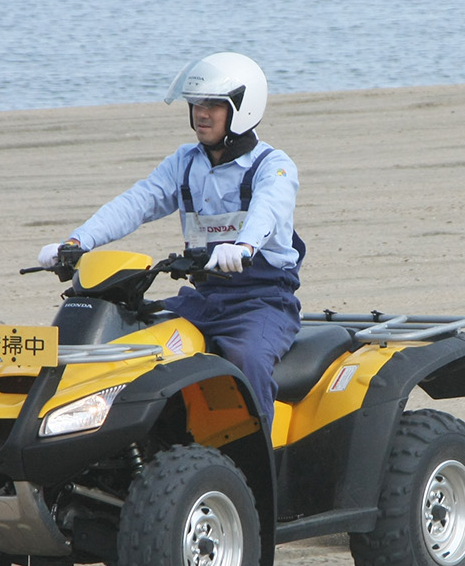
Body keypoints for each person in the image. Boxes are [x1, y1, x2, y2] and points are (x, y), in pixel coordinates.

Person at [37, 52, 303, 434]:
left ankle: (256, 457)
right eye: (196, 104)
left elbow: (268, 210)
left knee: (249, 359)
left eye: (213, 105)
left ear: (242, 109)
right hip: (203, 299)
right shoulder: (185, 162)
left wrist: (244, 247)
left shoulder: (273, 166)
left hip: (262, 303)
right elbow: (137, 202)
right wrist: (77, 241)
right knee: (139, 343)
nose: (201, 114)